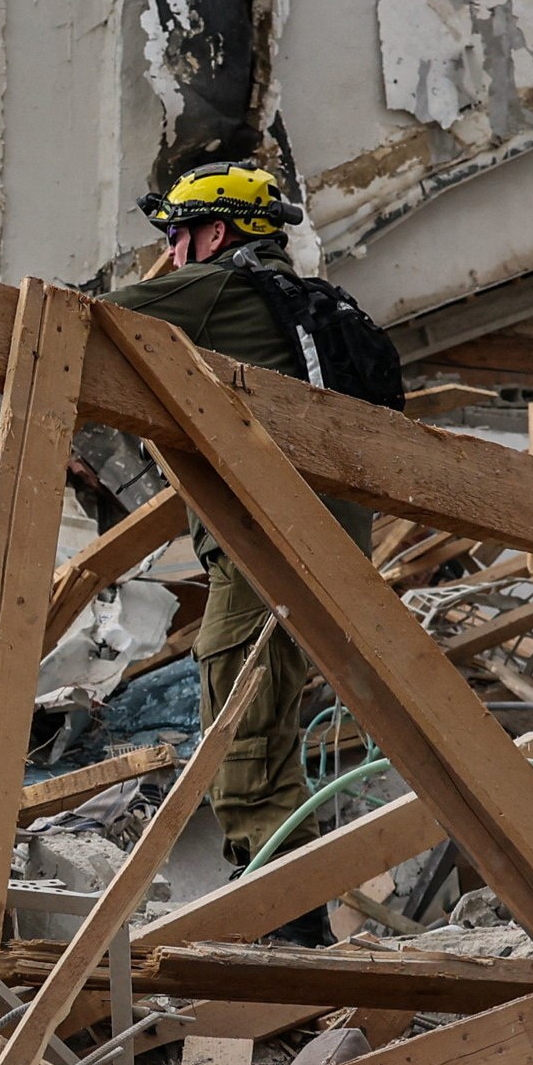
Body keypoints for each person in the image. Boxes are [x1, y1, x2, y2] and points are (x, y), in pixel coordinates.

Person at [102, 161, 368, 875]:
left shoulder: (217, 288)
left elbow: (98, 321)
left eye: (179, 236)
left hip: (261, 556)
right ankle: (290, 911)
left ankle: (286, 920)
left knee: (245, 741)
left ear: (215, 231)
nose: (173, 251)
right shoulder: (306, 305)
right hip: (321, 552)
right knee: (269, 734)